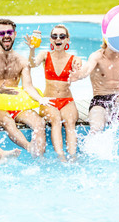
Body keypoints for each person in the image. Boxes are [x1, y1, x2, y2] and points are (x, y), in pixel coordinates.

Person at [0, 18, 50, 157]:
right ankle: (29, 147)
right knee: (7, 120)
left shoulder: (22, 61)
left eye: (9, 32)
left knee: (39, 122)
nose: (6, 35)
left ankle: (40, 159)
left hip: (15, 105)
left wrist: (40, 99)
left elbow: (28, 87)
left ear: (15, 34)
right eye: (2, 33)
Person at [25, 24, 82, 162]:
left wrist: (77, 72)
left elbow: (80, 72)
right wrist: (32, 50)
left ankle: (73, 156)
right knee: (56, 119)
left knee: (69, 122)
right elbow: (32, 64)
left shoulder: (74, 59)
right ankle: (61, 156)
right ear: (50, 40)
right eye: (54, 36)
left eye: (62, 36)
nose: (58, 39)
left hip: (67, 100)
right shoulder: (44, 55)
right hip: (48, 100)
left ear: (67, 40)